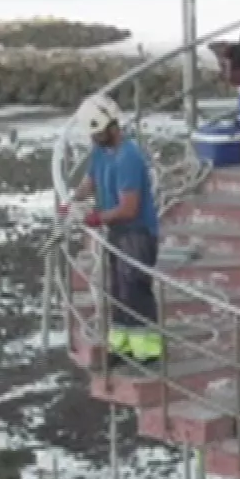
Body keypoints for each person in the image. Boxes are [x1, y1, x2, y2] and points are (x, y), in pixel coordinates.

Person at [71, 94, 162, 365]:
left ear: (110, 128)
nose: (93, 139)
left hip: (137, 232)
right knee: (118, 289)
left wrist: (96, 219)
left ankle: (147, 349)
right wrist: (71, 201)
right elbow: (90, 181)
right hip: (119, 232)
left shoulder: (128, 158)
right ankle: (122, 344)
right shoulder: (101, 151)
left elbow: (128, 208)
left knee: (134, 288)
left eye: (96, 133)